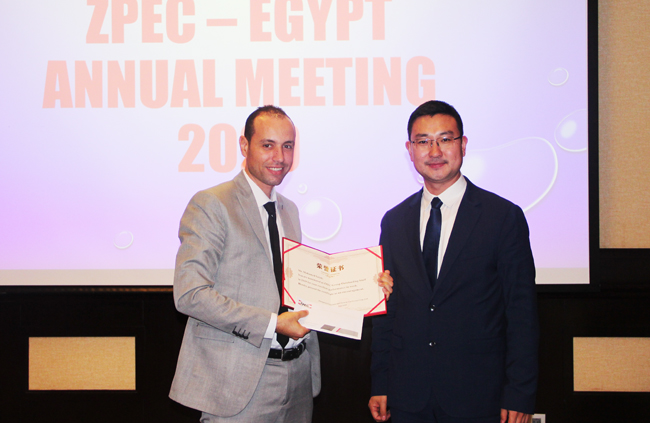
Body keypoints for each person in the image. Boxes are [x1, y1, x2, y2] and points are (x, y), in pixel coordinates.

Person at [170, 105, 392, 423]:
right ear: (244, 146)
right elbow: (190, 295)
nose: (279, 157)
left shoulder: (290, 210)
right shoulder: (212, 204)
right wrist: (273, 324)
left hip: (298, 375)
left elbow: (301, 292)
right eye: (268, 145)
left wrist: (368, 291)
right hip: (239, 382)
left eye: (288, 146)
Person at [369, 100, 539, 423]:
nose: (434, 151)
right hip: (408, 395)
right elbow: (387, 310)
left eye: (445, 139)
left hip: (478, 395)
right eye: (423, 141)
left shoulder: (502, 217)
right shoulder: (394, 221)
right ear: (410, 149)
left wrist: (520, 392)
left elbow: (522, 314)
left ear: (463, 144)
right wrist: (381, 382)